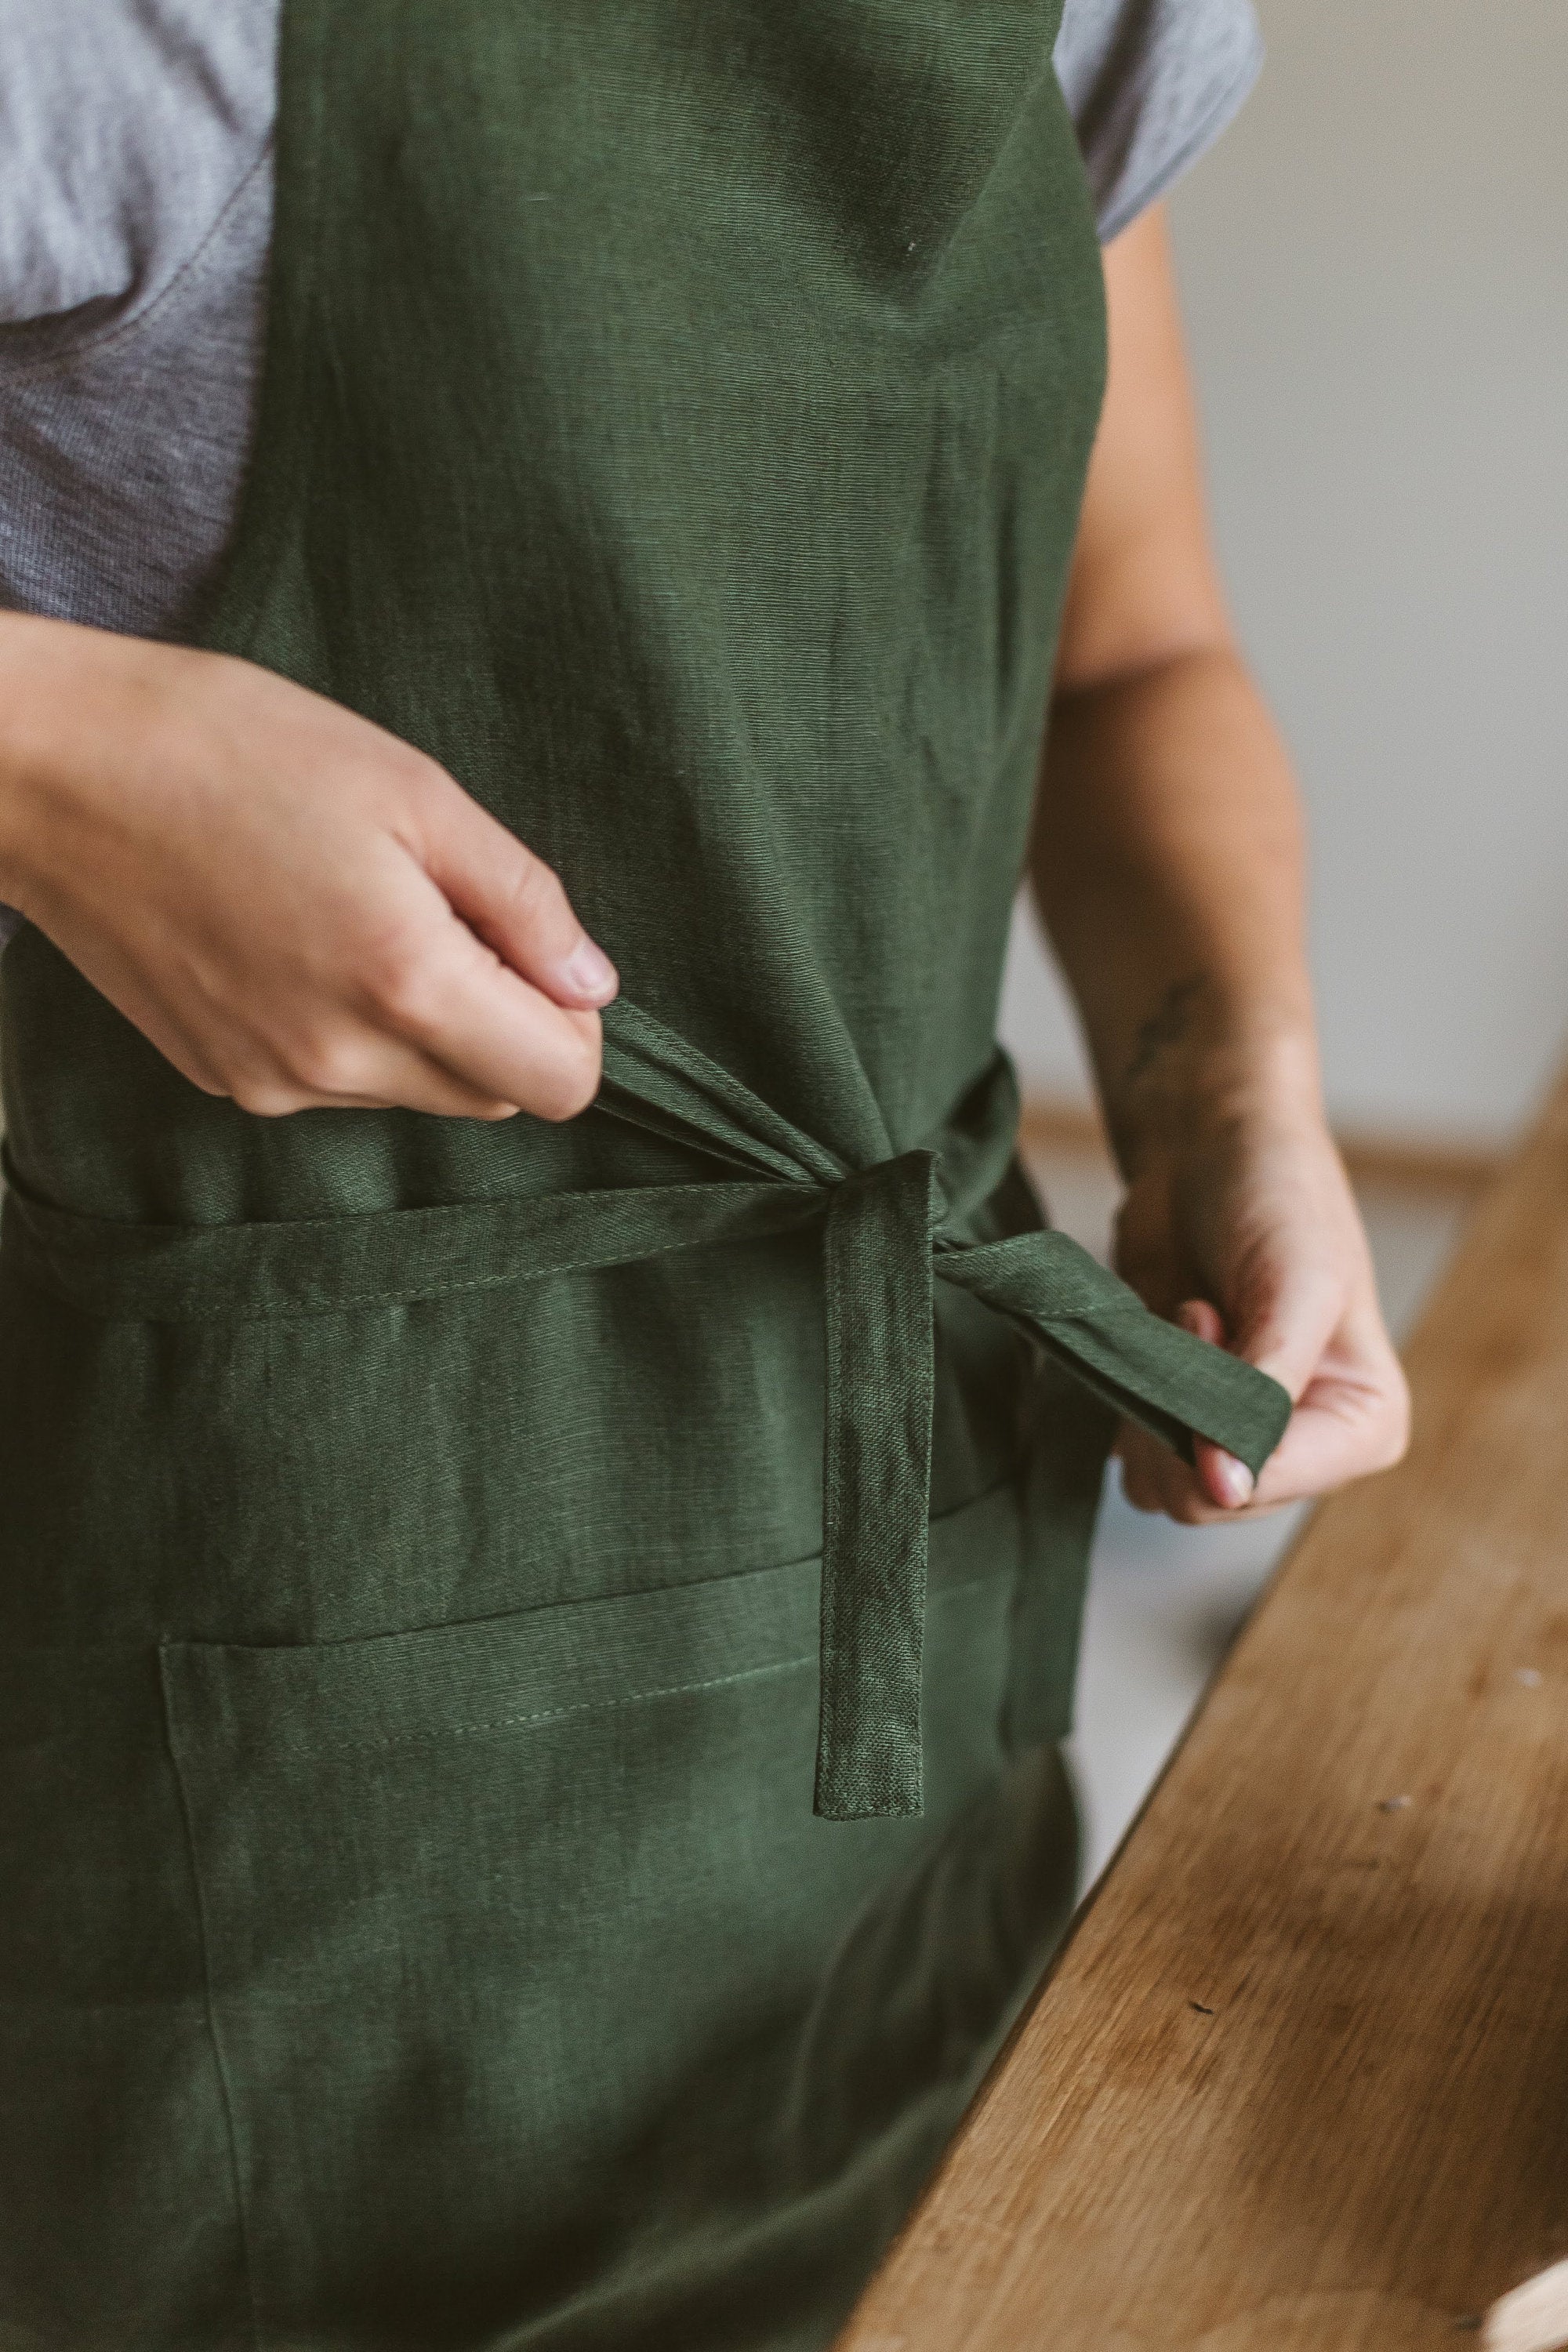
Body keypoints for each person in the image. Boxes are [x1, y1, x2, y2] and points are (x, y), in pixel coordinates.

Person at [0, 2, 1408, 2346]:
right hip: (310, 1802)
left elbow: (1129, 655)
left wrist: (1232, 1084)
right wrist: (50, 761)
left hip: (899, 1621)